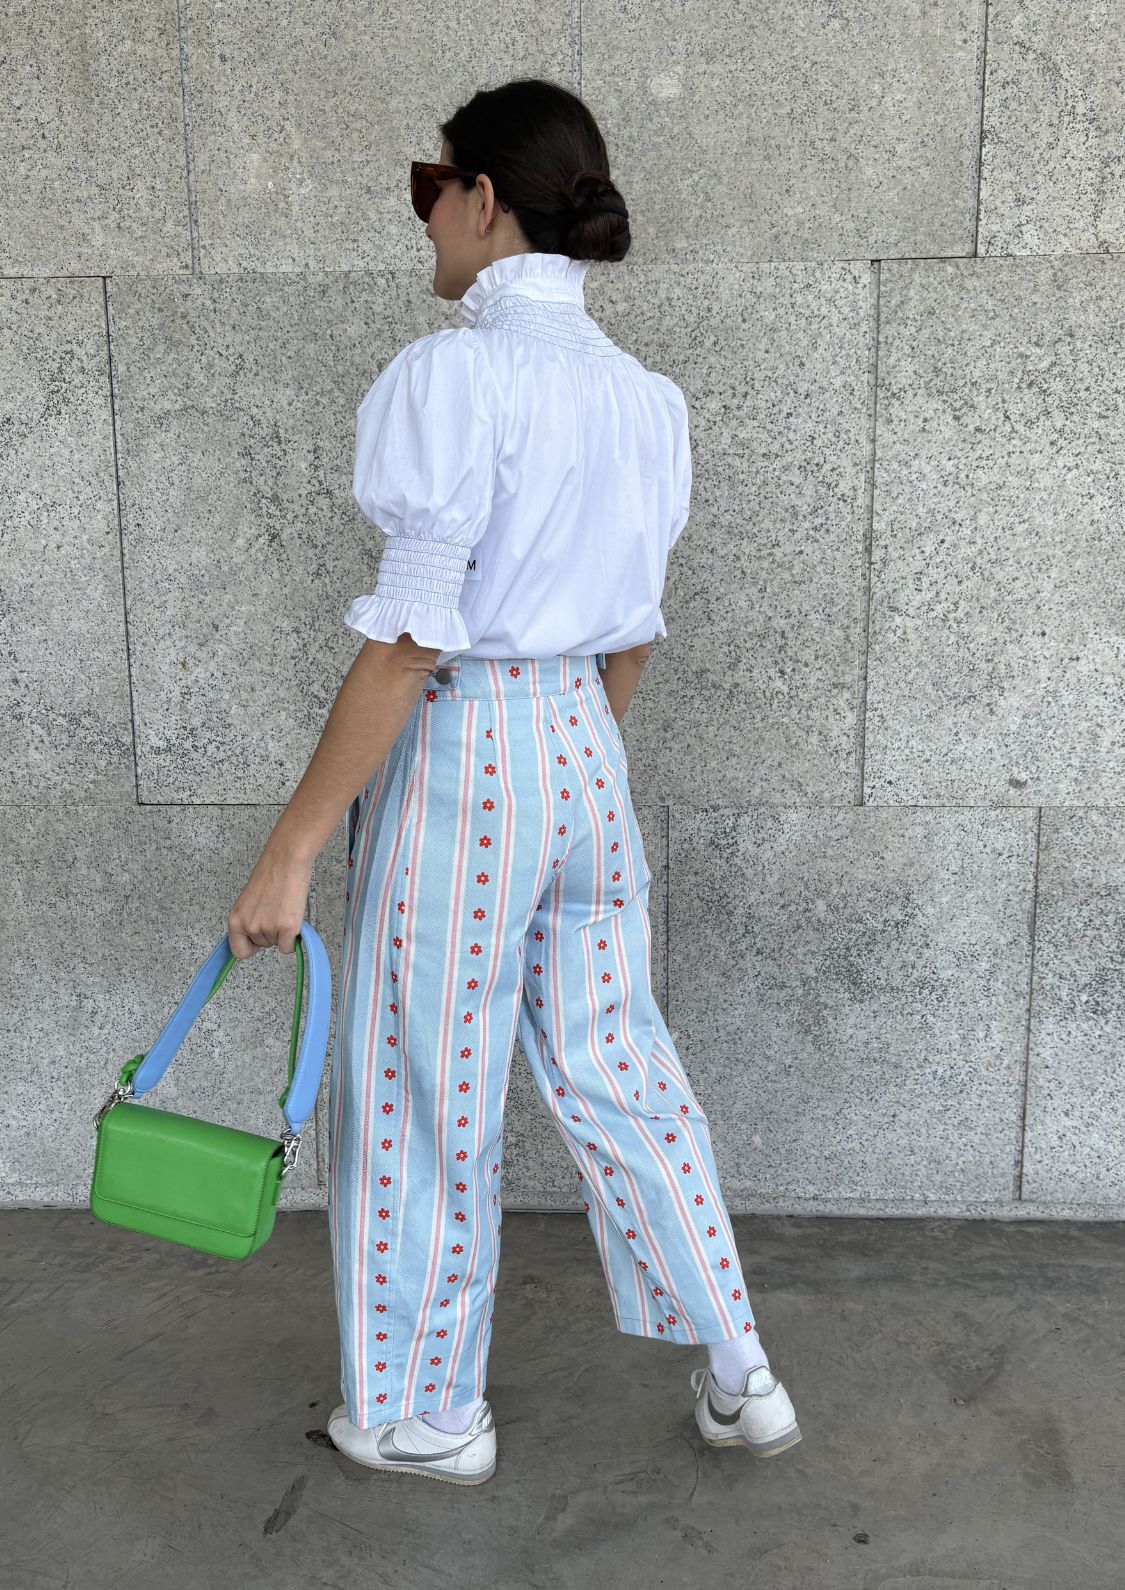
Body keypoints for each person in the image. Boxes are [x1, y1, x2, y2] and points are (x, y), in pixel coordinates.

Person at [226, 77, 801, 1487]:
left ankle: (425, 1413)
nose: (424, 216)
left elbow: (410, 640)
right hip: (586, 747)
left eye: (431, 188)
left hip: (466, 744)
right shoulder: (646, 402)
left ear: (484, 200)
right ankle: (742, 1369)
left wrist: (292, 846)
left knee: (424, 1082)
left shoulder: (456, 379)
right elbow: (632, 635)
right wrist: (569, 761)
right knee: (622, 1064)